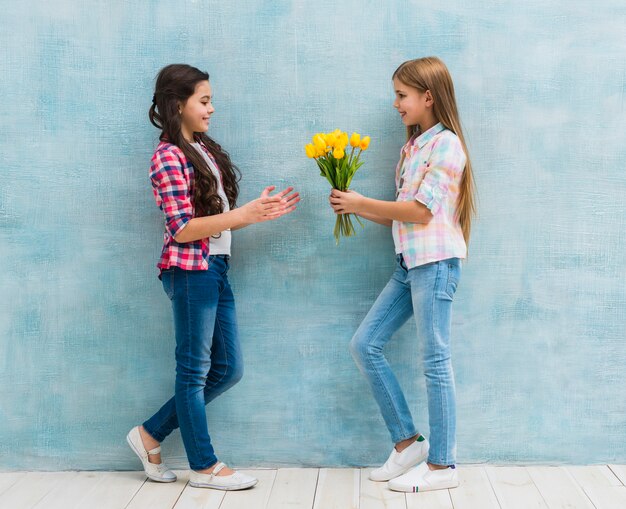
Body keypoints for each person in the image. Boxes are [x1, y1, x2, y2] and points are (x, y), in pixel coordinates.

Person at [127, 64, 299, 490]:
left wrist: (254, 213)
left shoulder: (201, 149)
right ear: (177, 104)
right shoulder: (167, 156)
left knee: (228, 368)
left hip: (215, 268)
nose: (211, 108)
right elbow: (182, 228)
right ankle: (203, 466)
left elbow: (215, 220)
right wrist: (242, 215)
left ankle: (149, 434)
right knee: (193, 371)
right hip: (189, 272)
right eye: (203, 101)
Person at [329, 56, 476, 493]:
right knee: (365, 344)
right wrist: (353, 205)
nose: (395, 103)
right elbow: (403, 218)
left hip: (436, 264)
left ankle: (443, 466)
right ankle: (408, 442)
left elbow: (421, 211)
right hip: (409, 265)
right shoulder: (413, 147)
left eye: (401, 95)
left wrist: (359, 203)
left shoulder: (447, 145)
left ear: (427, 97)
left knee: (435, 361)